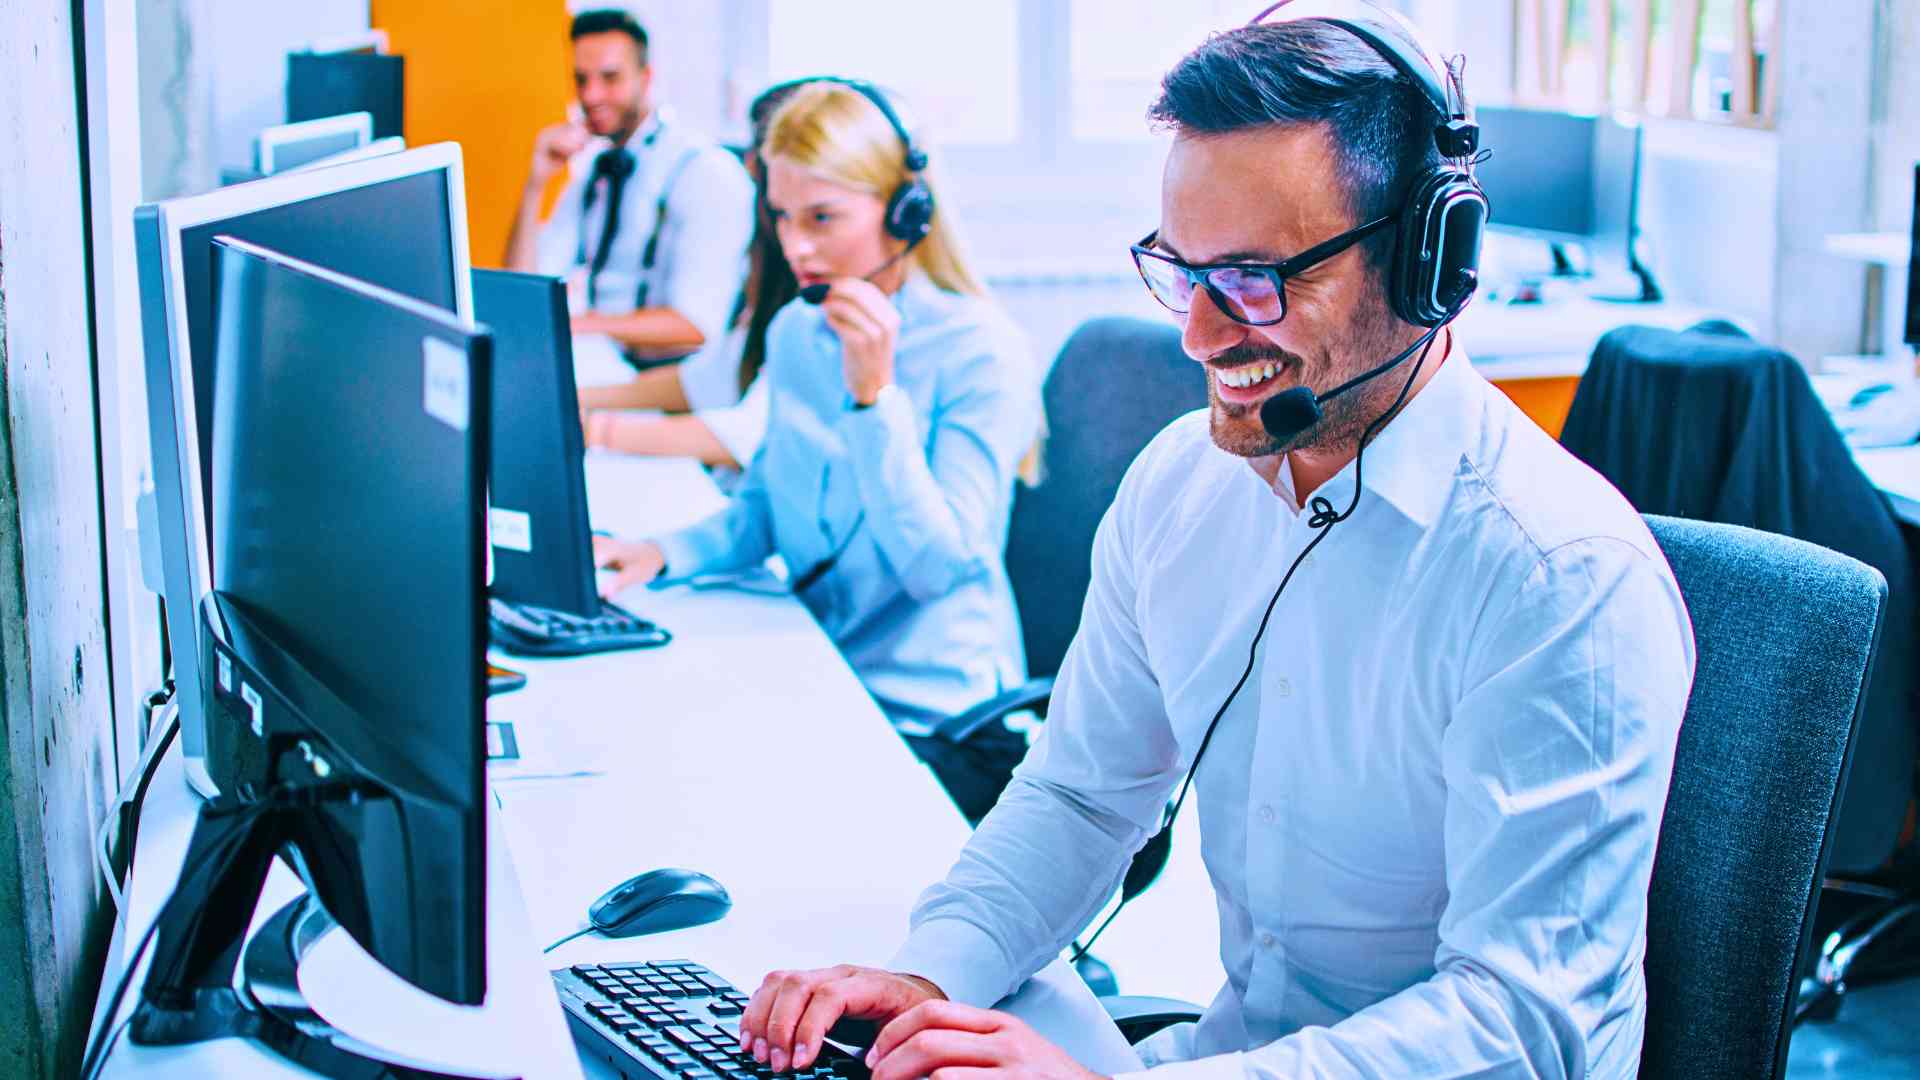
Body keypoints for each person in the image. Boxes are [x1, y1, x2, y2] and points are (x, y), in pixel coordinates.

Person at [731, 9, 1696, 1080]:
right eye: (1179, 270)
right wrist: (928, 978)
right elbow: (1083, 797)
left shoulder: (1557, 580)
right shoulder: (1180, 487)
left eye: (1252, 279)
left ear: (1429, 262)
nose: (1195, 333)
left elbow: (1521, 1026)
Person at [593, 79, 1044, 819]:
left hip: (937, 725)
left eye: (823, 218)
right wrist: (661, 553)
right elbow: (767, 506)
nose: (795, 246)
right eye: (780, 217)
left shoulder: (980, 353)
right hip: (822, 676)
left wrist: (875, 401)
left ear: (906, 213)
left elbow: (936, 569)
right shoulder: (798, 334)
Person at [503, 8, 754, 370]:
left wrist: (573, 326)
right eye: (581, 80)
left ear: (646, 77)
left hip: (665, 380)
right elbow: (523, 289)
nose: (591, 96)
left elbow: (695, 326)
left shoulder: (703, 173)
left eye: (610, 78)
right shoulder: (595, 169)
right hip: (602, 357)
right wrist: (535, 184)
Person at [578, 82, 805, 479]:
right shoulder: (780, 281)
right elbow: (709, 378)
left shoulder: (825, 292)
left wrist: (596, 430)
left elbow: (748, 435)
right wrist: (571, 399)